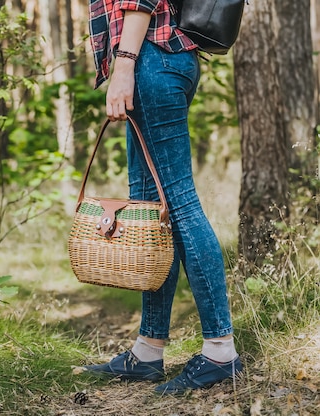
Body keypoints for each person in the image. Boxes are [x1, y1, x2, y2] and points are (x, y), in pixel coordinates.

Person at [80, 0, 243, 395]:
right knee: (151, 214)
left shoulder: (141, 59)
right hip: (161, 62)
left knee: (180, 206)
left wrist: (123, 66)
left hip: (152, 60)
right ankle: (149, 350)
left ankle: (221, 351)